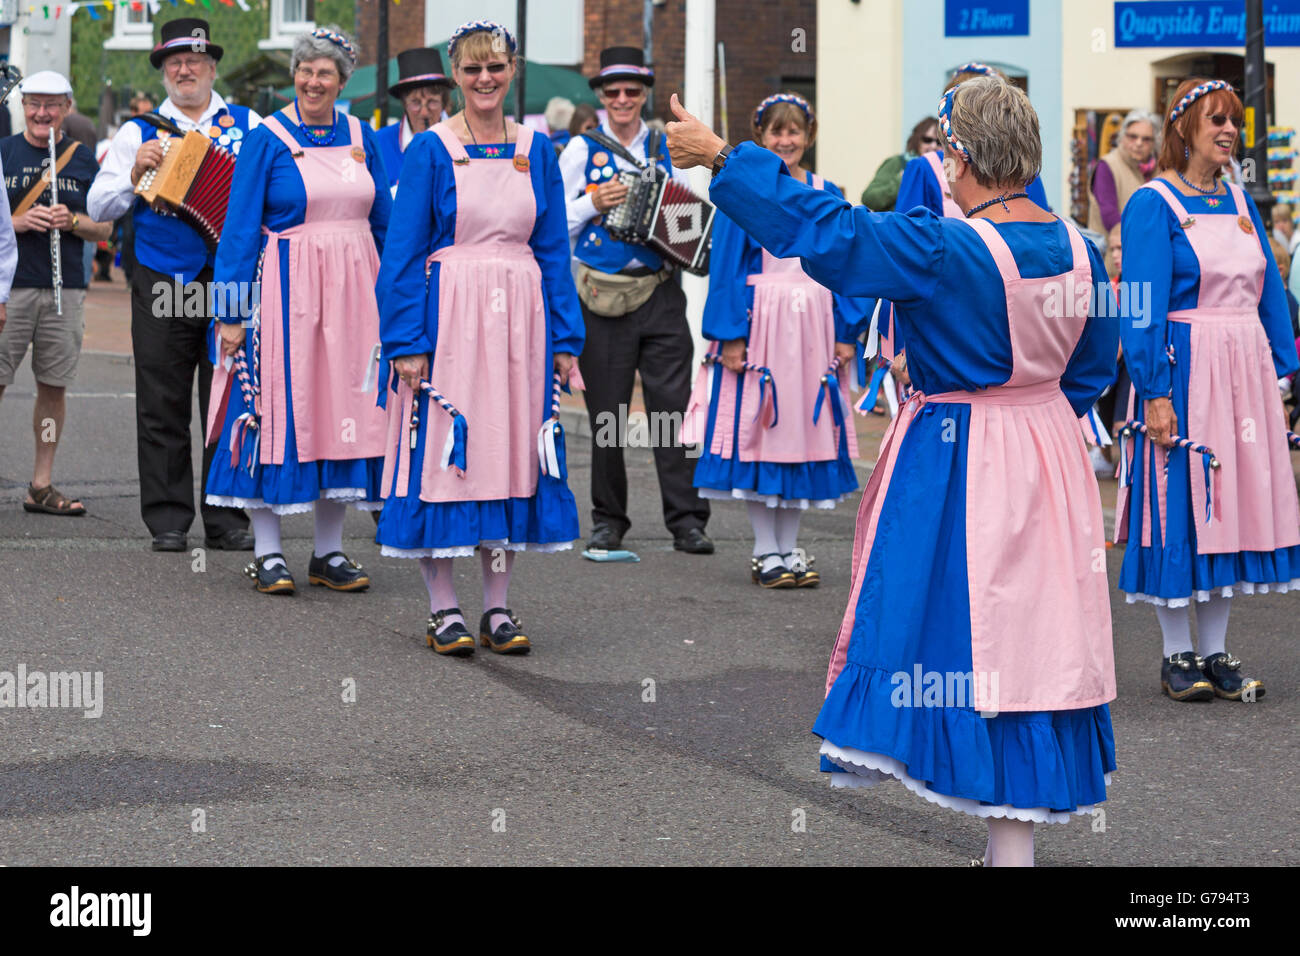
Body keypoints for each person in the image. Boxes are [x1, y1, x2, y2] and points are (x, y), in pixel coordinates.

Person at [667, 73, 1119, 866]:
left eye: (946, 150)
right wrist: (1034, 399)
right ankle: (1011, 850)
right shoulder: (1081, 247)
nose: (940, 164)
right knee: (1032, 641)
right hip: (1051, 448)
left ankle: (1000, 845)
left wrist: (719, 156)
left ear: (964, 155)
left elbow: (828, 231)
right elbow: (1094, 369)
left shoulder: (946, 247)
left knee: (959, 635)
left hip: (961, 452)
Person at [375, 20, 583, 656]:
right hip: (452, 320)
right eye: (472, 70)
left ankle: (497, 607)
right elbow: (403, 255)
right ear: (455, 77)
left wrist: (565, 337)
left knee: (509, 452)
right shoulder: (431, 150)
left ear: (511, 70)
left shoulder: (536, 149)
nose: (485, 79)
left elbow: (552, 249)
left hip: (521, 321)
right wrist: (407, 340)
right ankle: (444, 609)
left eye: (495, 67)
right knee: (445, 452)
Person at [1117, 78, 1300, 703]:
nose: (1227, 131)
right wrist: (1154, 391)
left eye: (1234, 123)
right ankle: (1176, 656)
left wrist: (1285, 371)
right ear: (1184, 129)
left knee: (1231, 501)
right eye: (1216, 121)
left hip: (1244, 372)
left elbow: (1270, 293)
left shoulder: (1240, 200)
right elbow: (1139, 304)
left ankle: (1217, 650)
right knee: (1183, 500)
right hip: (1188, 368)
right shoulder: (1154, 203)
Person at [204, 27, 391, 595]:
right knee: (277, 408)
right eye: (306, 70)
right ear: (295, 75)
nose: (313, 81)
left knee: (345, 410)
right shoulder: (268, 137)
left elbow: (385, 221)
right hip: (285, 293)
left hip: (358, 295)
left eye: (325, 72)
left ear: (342, 81)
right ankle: (267, 553)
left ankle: (329, 553)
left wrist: (401, 300)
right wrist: (231, 312)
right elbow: (238, 230)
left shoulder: (364, 136)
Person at [88, 17, 257, 553]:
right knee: (162, 396)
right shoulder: (139, 132)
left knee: (229, 394)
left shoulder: (251, 125)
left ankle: (227, 516)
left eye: (195, 60)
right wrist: (135, 174)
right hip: (164, 276)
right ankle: (167, 517)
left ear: (212, 67)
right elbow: (97, 207)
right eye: (174, 62)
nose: (185, 70)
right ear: (164, 71)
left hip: (231, 281)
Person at [693, 92, 866, 588]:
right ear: (760, 137)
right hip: (763, 325)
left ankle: (790, 548)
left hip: (813, 327)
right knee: (762, 429)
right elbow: (725, 263)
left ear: (808, 137)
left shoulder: (826, 189)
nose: (785, 140)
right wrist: (730, 334)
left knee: (803, 434)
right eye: (776, 131)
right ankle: (764, 549)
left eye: (794, 132)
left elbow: (843, 260)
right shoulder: (742, 189)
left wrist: (848, 329)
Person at [559, 45, 712, 556]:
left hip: (662, 291)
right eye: (613, 91)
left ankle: (687, 520)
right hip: (602, 297)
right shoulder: (581, 151)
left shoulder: (671, 146)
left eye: (632, 90)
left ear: (645, 94)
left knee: (672, 409)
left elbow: (695, 212)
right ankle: (609, 520)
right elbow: (551, 223)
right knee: (607, 415)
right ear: (601, 96)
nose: (623, 98)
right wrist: (590, 202)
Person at [0, 72, 113, 516]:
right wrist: (16, 223)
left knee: (52, 389)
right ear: (23, 106)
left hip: (64, 289)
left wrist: (74, 222)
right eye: (33, 104)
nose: (41, 113)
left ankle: (41, 484)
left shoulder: (82, 159)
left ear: (67, 107)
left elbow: (104, 227)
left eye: (51, 104)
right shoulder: (4, 152)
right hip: (10, 290)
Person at [1088, 110, 1159, 278]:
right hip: (1114, 266)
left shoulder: (1161, 168)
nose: (1139, 143)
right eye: (1132, 137)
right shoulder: (1108, 165)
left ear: (1154, 142)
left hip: (1149, 262)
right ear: (1122, 137)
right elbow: (1110, 215)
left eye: (1146, 139)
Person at [374, 47, 453, 193]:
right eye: (415, 103)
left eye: (432, 102)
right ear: (404, 103)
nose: (424, 112)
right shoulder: (379, 143)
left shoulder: (463, 139)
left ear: (444, 102)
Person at [860, 116, 941, 212]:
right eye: (927, 140)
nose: (933, 146)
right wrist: (901, 180)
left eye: (939, 142)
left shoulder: (945, 172)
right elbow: (869, 198)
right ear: (917, 139)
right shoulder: (898, 163)